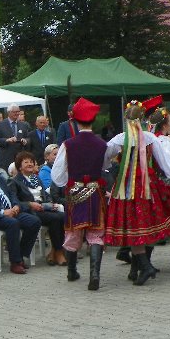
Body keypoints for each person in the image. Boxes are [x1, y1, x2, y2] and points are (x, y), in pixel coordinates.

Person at [103, 99, 170, 285]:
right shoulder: (149, 138)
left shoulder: (119, 139)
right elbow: (167, 164)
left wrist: (108, 166)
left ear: (126, 119)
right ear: (142, 119)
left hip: (126, 186)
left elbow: (105, 159)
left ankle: (144, 267)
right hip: (147, 186)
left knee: (133, 226)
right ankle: (137, 268)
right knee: (142, 224)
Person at [51, 98, 108, 289]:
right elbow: (105, 165)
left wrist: (69, 180)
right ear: (93, 120)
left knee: (73, 232)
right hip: (95, 191)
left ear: (75, 120)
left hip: (74, 192)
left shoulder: (68, 144)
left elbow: (57, 175)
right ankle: (95, 274)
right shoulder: (102, 144)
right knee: (96, 233)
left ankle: (72, 271)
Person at [9, 151, 66, 265]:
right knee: (55, 218)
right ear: (19, 166)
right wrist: (30, 204)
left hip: (43, 208)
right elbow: (14, 201)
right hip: (30, 211)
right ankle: (58, 252)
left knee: (63, 216)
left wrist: (50, 203)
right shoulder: (14, 181)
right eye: (26, 162)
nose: (30, 164)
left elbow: (45, 194)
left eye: (31, 162)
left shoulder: (36, 179)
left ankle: (55, 251)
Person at [0, 104, 30, 170]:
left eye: (18, 111)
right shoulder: (0, 124)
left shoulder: (23, 125)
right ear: (9, 112)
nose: (17, 113)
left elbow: (28, 138)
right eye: (14, 112)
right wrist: (7, 140)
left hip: (20, 158)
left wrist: (26, 141)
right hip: (6, 158)